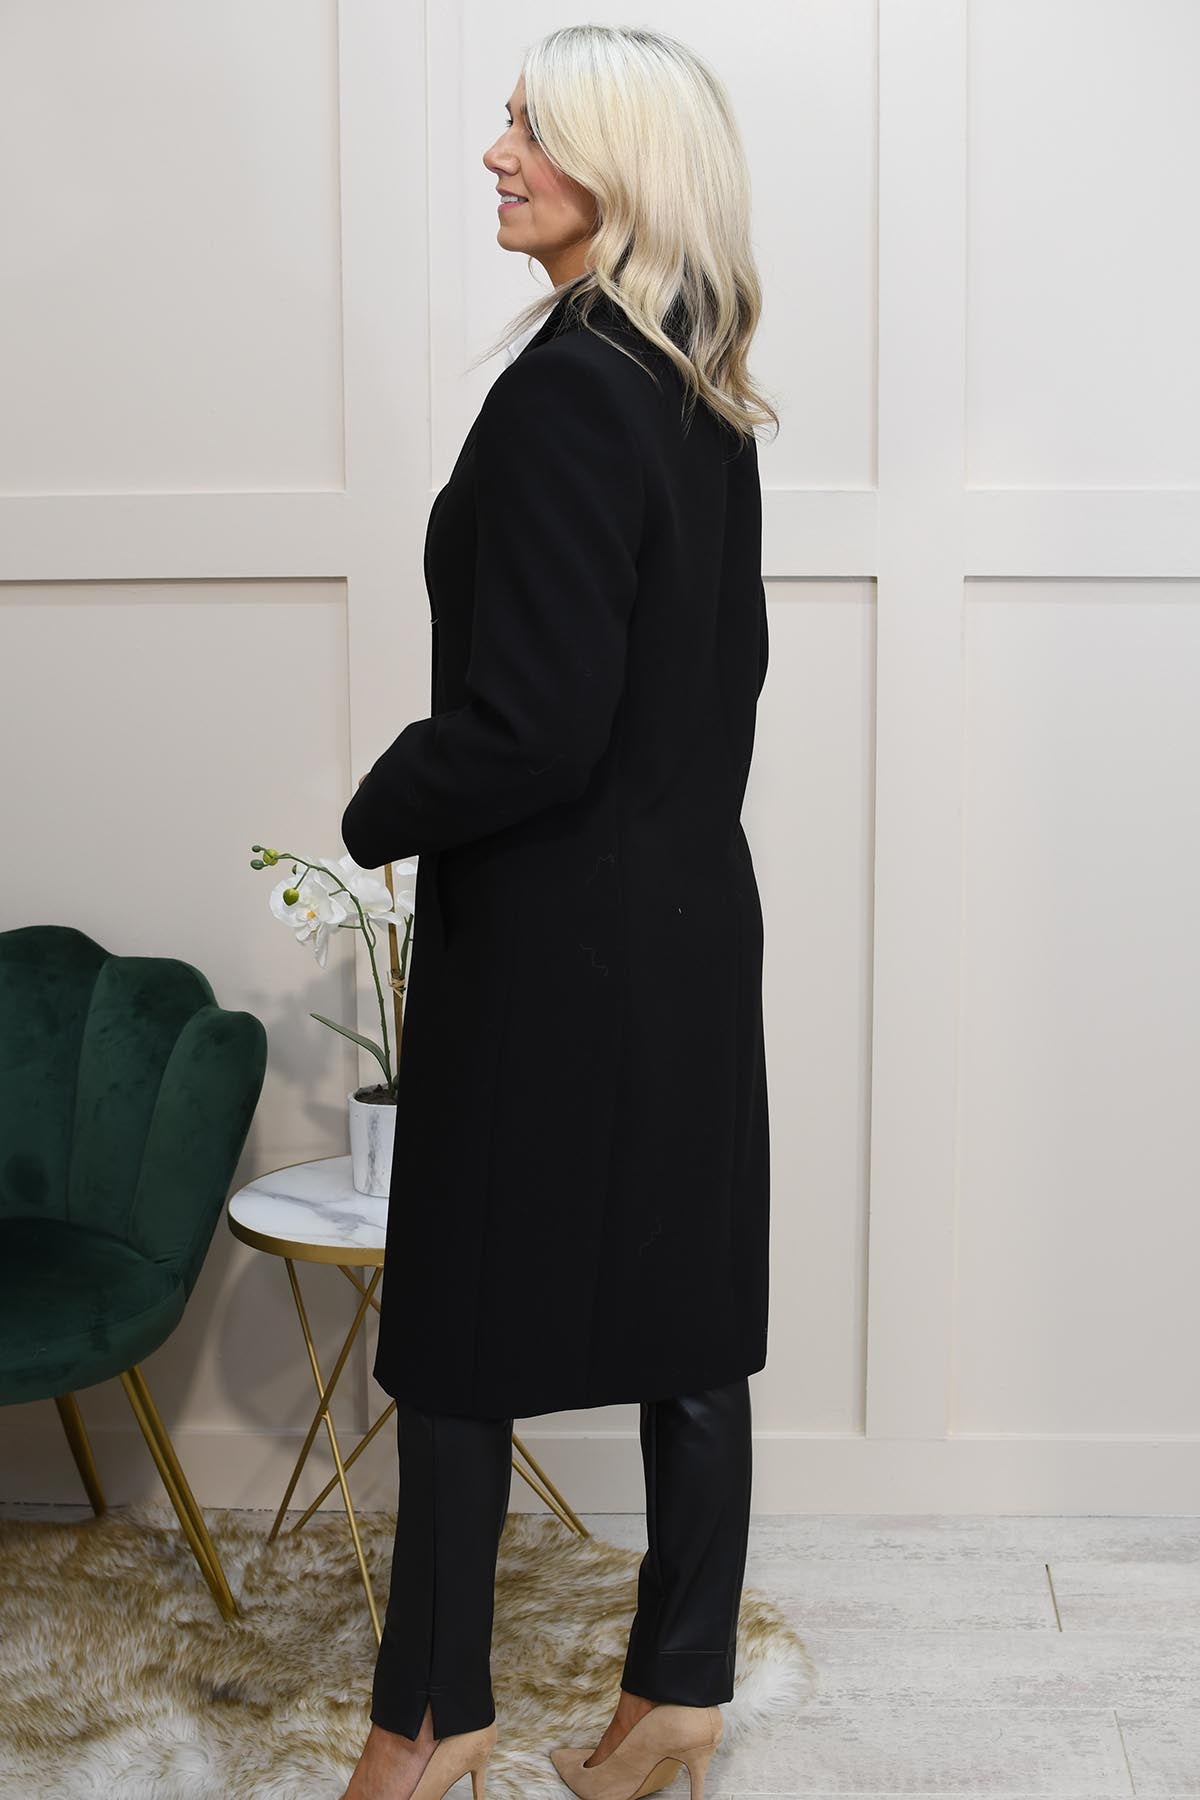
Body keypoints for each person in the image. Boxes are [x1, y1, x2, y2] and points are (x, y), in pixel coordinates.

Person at [337, 23, 778, 1800]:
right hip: (686, 918)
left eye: (533, 126)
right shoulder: (691, 383)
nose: (496, 152)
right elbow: (719, 680)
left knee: (455, 1324)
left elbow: (531, 726)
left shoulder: (569, 391)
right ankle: (679, 1686)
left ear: (623, 164)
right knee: (688, 1309)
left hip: (548, 941)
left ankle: (429, 1720)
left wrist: (380, 805)